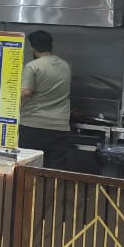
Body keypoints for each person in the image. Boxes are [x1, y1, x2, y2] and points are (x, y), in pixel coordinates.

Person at [19, 30, 72, 169]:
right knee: (55, 169)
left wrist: (12, 105)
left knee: (28, 168)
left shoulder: (33, 66)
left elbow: (26, 92)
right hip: (60, 126)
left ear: (32, 48)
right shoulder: (65, 65)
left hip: (33, 125)